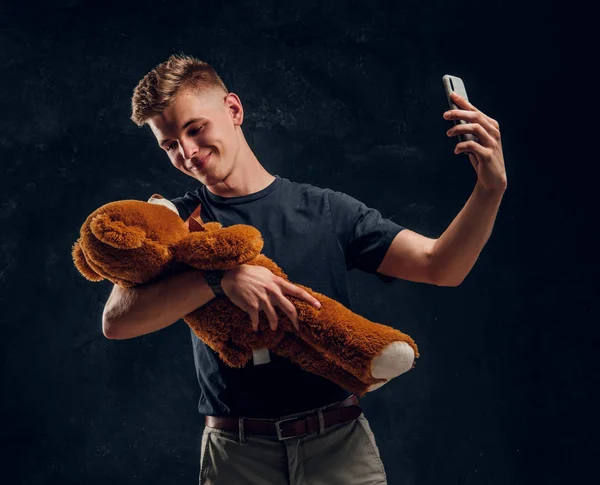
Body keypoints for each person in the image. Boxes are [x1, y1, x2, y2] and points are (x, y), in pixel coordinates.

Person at [102, 53, 507, 484]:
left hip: (338, 445)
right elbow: (116, 321)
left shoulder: (325, 210)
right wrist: (218, 281)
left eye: (195, 128)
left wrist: (490, 189)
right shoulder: (174, 223)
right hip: (235, 455)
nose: (187, 152)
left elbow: (442, 266)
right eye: (169, 145)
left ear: (234, 110)